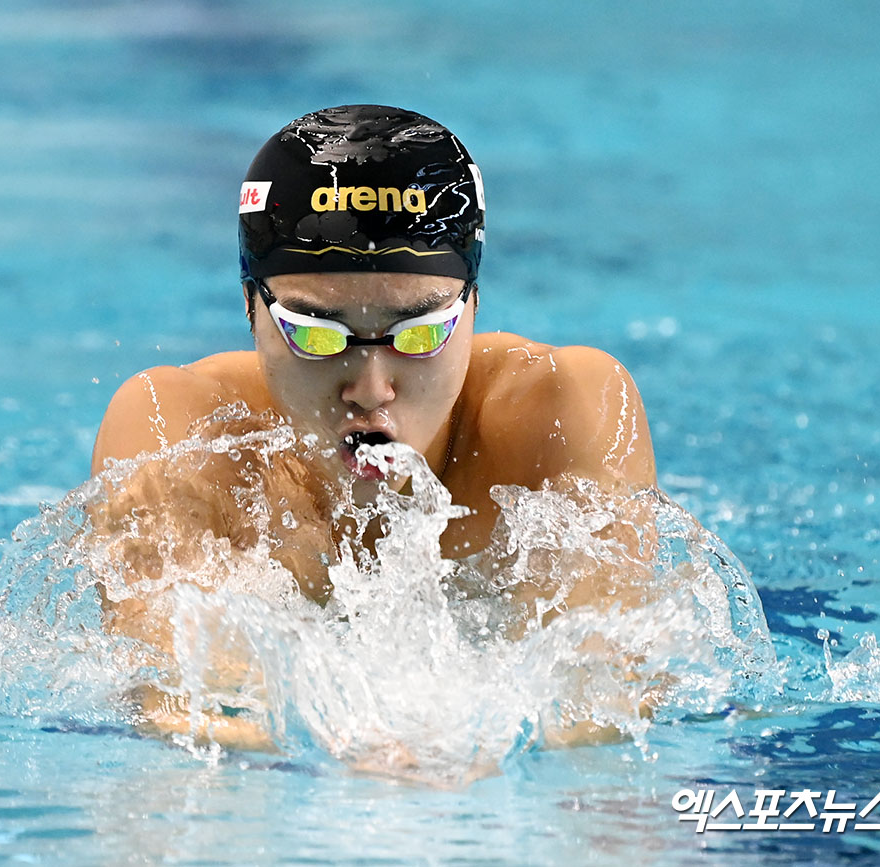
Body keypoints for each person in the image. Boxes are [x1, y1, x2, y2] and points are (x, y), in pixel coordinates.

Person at [89, 105, 658, 746]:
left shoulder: (559, 417)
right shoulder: (178, 433)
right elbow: (191, 715)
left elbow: (605, 707)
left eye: (419, 333)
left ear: (473, 303)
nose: (370, 387)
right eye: (314, 334)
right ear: (249, 306)